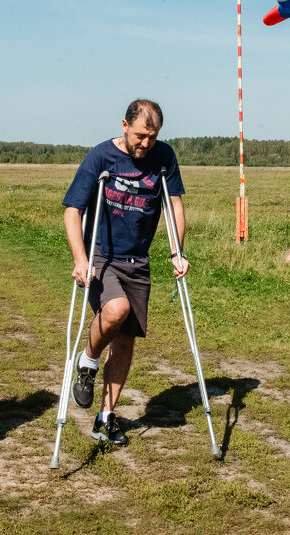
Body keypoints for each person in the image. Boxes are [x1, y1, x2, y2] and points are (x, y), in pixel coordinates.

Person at [62, 99, 188, 446]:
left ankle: (105, 419)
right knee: (116, 309)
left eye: (153, 136)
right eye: (140, 135)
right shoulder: (100, 157)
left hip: (139, 260)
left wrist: (178, 251)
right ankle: (87, 360)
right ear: (124, 125)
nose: (146, 143)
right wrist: (79, 258)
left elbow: (174, 204)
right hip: (102, 256)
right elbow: (73, 210)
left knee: (125, 340)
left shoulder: (164, 158)